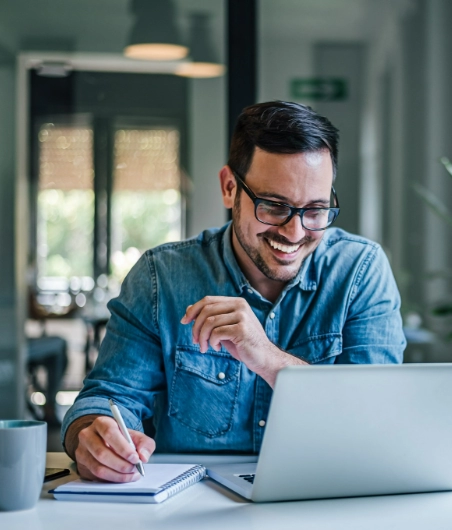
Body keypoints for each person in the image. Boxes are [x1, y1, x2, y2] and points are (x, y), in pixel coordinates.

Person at [62, 101, 406, 482]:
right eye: (274, 206)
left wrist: (267, 358)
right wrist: (93, 438)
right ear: (230, 188)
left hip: (324, 499)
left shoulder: (360, 271)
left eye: (315, 210)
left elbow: (375, 419)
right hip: (191, 510)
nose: (294, 233)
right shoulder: (162, 277)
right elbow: (109, 397)